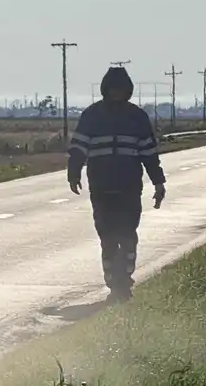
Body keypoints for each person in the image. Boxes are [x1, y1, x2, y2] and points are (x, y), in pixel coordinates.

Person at [67, 66, 166, 302]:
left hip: (129, 187)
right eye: (113, 89)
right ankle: (113, 281)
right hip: (101, 186)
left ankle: (125, 278)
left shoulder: (137, 118)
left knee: (128, 235)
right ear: (105, 89)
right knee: (107, 237)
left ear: (128, 90)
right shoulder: (92, 116)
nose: (117, 93)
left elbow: (149, 154)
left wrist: (158, 182)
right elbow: (79, 147)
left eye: (121, 89)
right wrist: (73, 173)